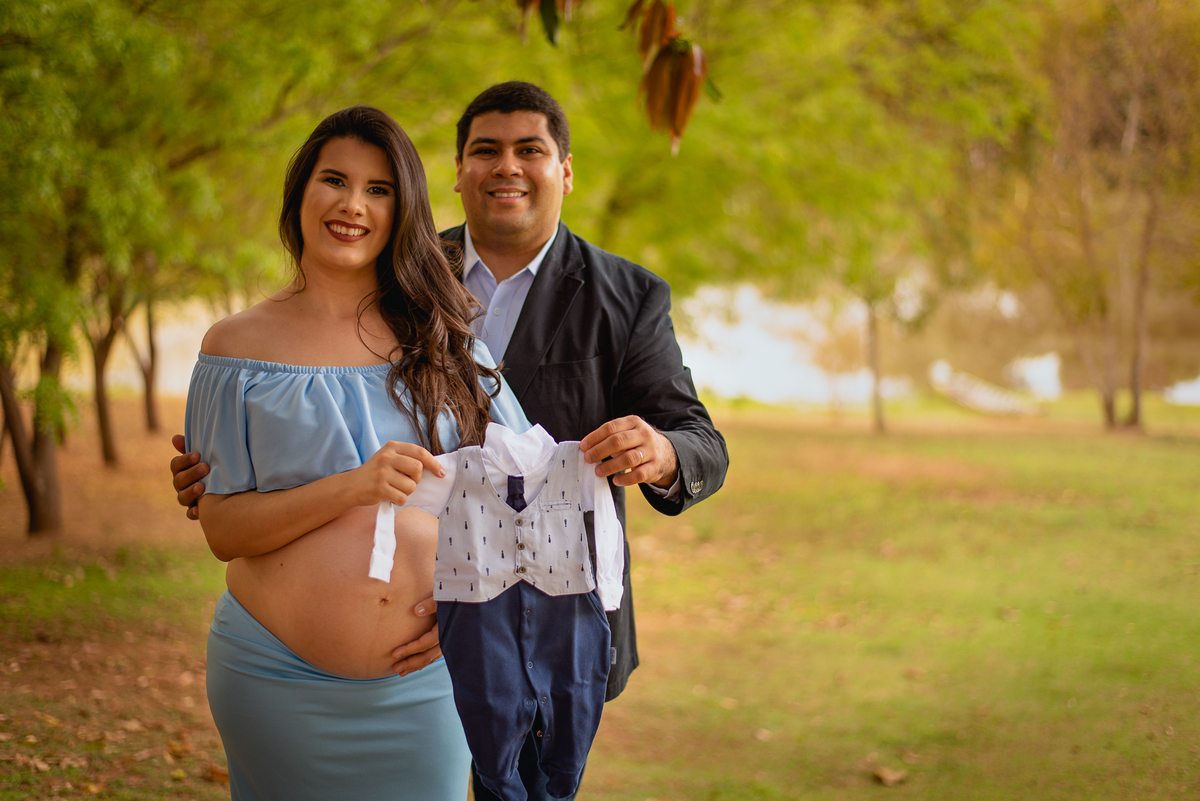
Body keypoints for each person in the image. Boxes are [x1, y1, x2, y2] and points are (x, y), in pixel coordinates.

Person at [173, 82, 730, 801]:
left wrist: (656, 452)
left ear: (565, 169)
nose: (354, 205)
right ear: (458, 170)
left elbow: (674, 440)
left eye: (530, 150)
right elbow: (230, 504)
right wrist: (219, 477)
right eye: (485, 150)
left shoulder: (590, 303)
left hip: (484, 650)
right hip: (278, 674)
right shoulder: (371, 297)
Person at [183, 105, 530, 800]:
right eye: (333, 180)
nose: (352, 204)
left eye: (379, 190)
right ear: (300, 193)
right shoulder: (235, 348)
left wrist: (475, 609)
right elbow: (222, 530)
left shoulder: (447, 340)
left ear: (402, 211)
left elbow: (523, 489)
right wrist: (353, 485)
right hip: (273, 678)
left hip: (426, 685)